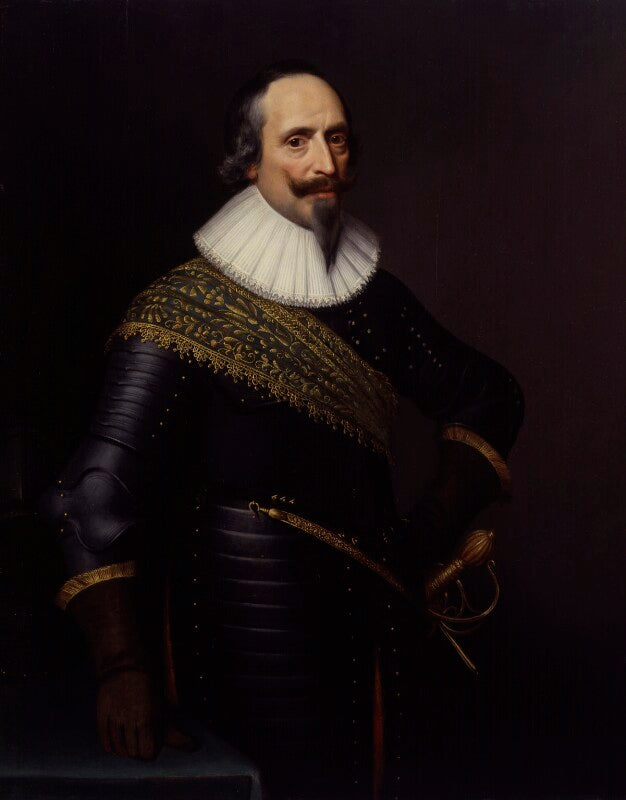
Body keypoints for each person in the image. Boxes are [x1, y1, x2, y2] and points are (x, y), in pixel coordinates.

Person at [40, 61, 523, 799]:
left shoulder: (379, 301)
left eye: (337, 140)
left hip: (372, 634)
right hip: (240, 629)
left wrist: (428, 532)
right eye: (297, 141)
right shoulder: (181, 307)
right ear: (249, 161)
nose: (326, 164)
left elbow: (489, 396)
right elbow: (90, 498)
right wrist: (122, 669)